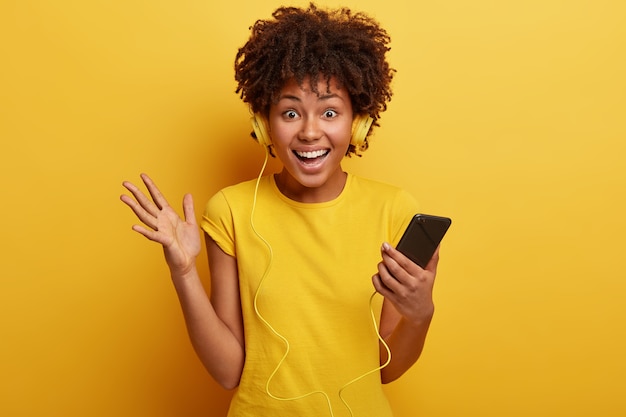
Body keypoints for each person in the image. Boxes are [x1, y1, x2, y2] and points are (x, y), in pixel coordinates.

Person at [121, 4, 439, 416]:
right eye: (290, 112)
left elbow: (387, 370)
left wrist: (421, 315)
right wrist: (183, 274)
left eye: (329, 112)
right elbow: (228, 372)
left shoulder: (395, 209)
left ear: (357, 122)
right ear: (264, 123)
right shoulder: (231, 211)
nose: (309, 131)